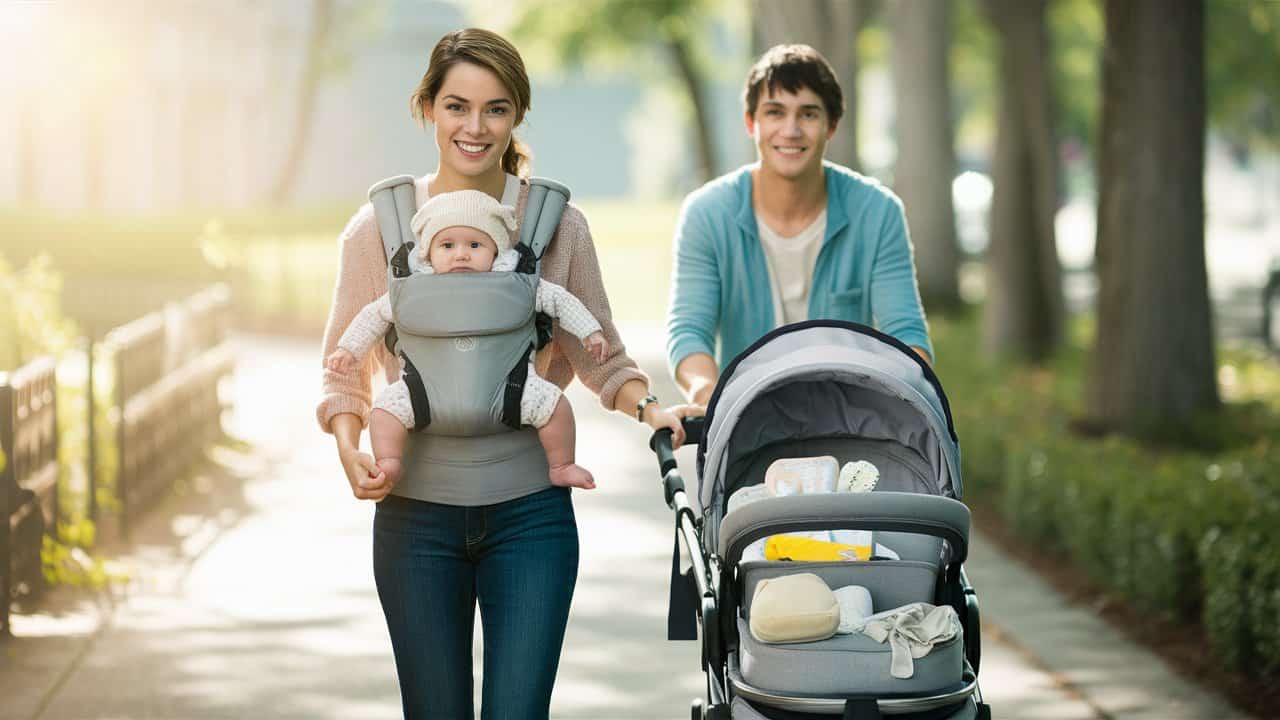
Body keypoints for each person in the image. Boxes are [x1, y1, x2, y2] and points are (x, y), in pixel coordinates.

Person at [317, 28, 692, 719]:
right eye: (456, 106)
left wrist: (651, 409)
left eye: (495, 108)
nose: (474, 126)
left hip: (530, 519)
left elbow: (601, 354)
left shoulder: (557, 227)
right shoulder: (378, 230)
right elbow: (343, 376)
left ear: (517, 115)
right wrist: (350, 448)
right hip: (414, 522)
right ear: (427, 107)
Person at [666, 44, 934, 409]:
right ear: (751, 123)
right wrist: (707, 395)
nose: (790, 130)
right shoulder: (707, 214)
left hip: (852, 420)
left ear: (831, 126)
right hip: (745, 419)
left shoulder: (878, 211)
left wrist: (900, 403)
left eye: (808, 114)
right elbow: (689, 332)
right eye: (775, 113)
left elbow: (906, 335)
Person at [325, 189, 608, 492]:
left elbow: (561, 301)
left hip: (512, 390)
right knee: (384, 412)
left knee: (556, 408)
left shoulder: (519, 284)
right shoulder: (412, 288)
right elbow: (372, 316)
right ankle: (390, 460)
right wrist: (348, 349)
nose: (461, 254)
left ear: (496, 250)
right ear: (428, 252)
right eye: (447, 245)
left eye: (475, 245)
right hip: (422, 394)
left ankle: (562, 465)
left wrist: (589, 331)